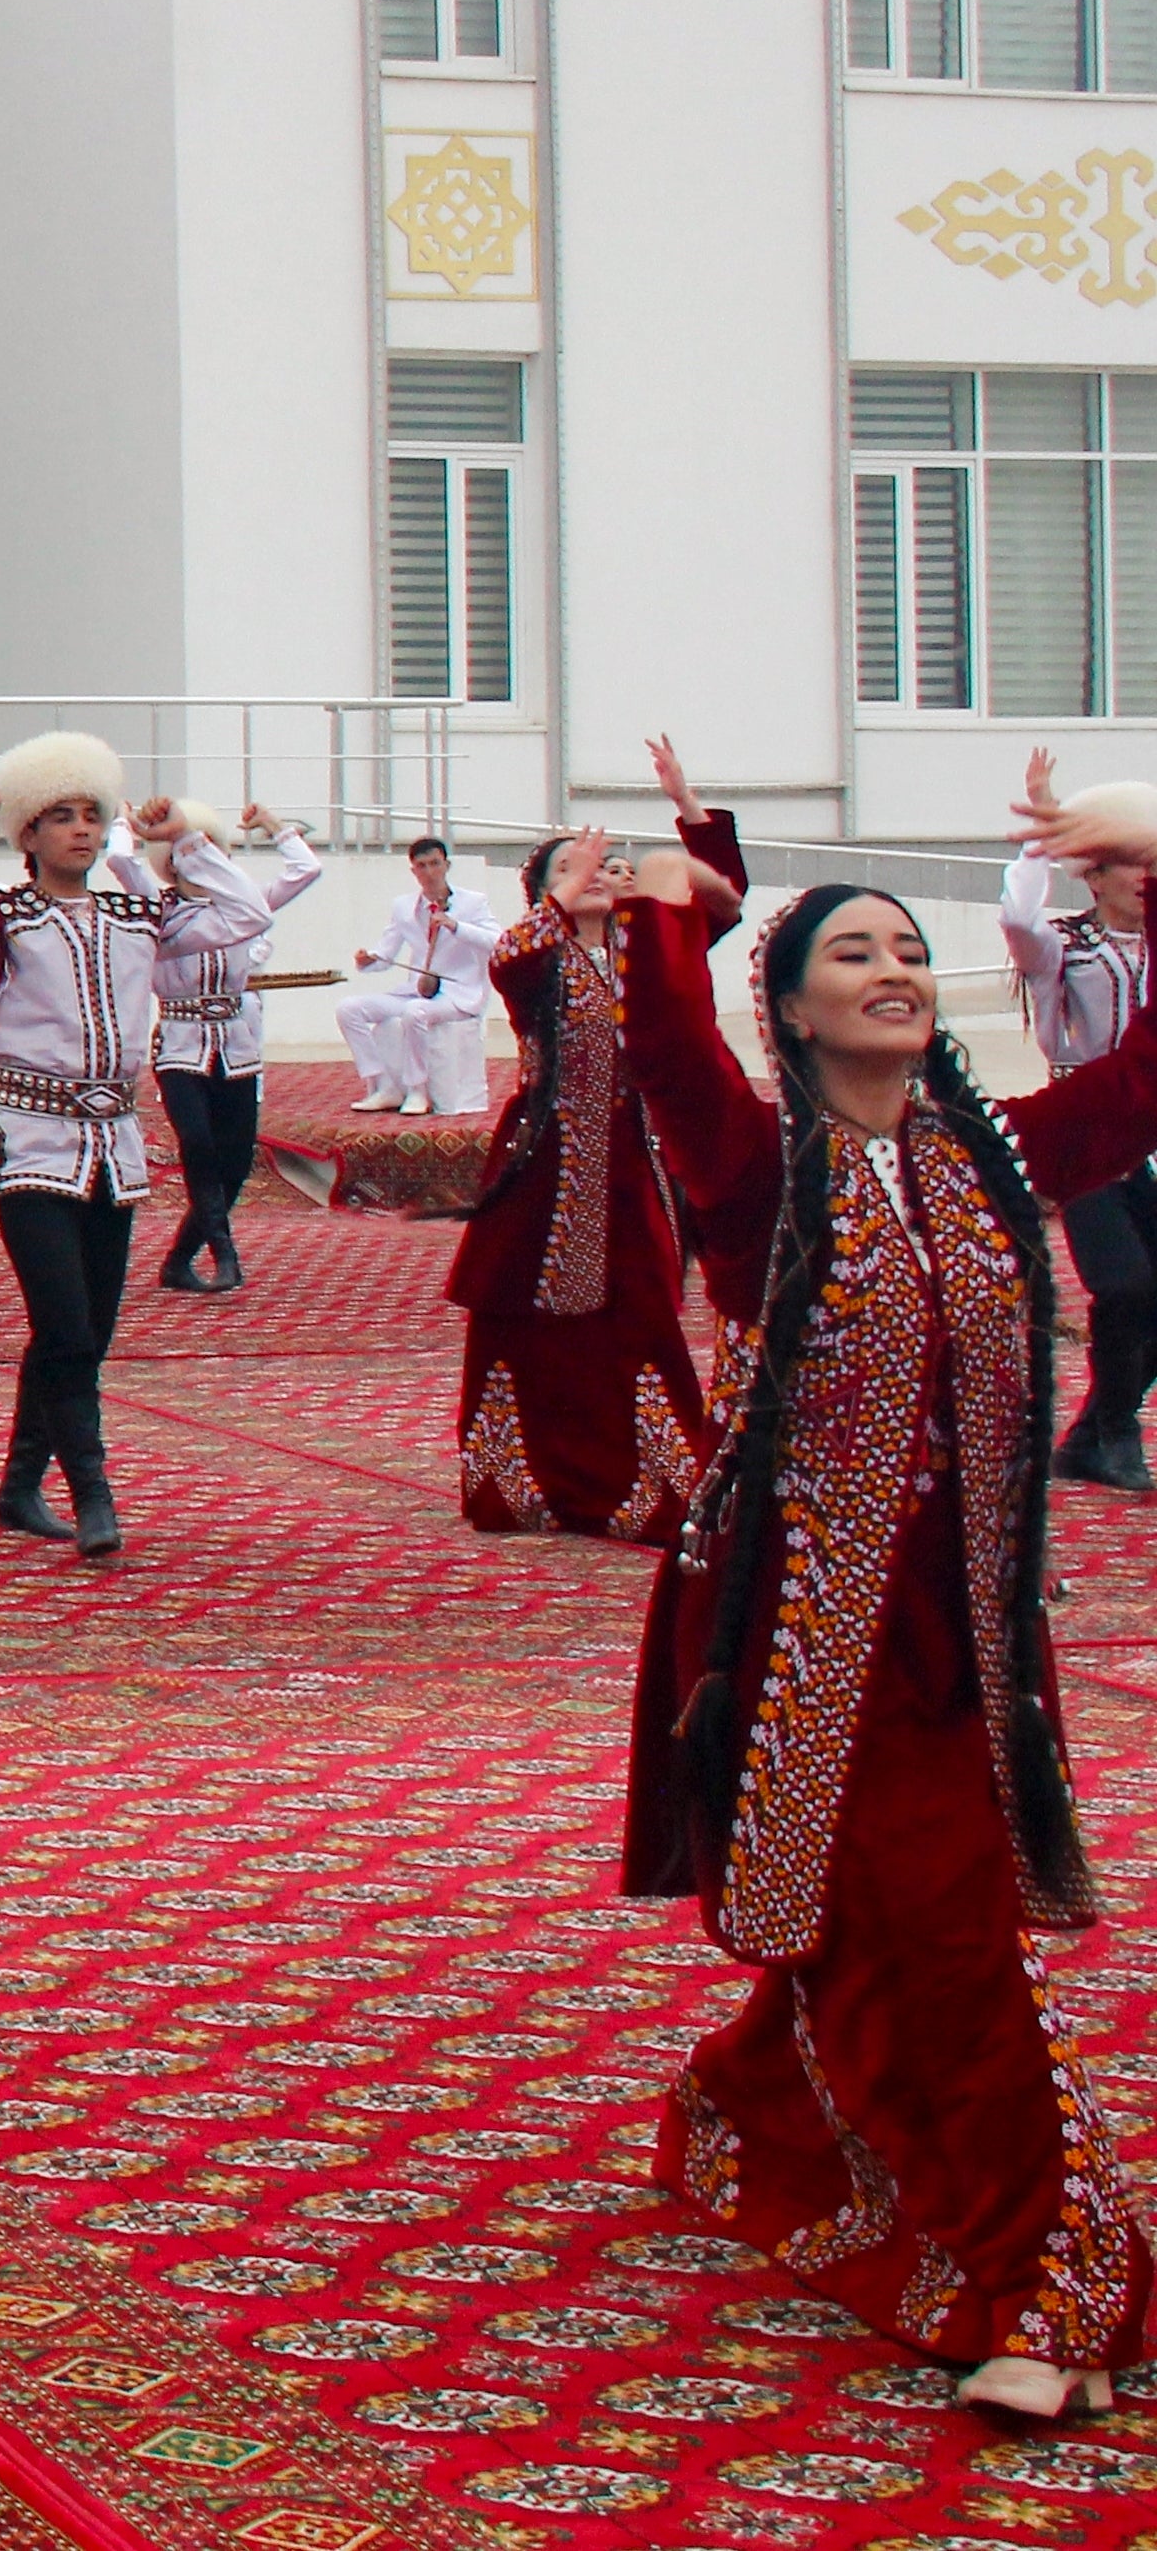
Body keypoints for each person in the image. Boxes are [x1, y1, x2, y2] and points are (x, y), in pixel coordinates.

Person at [613, 806, 1157, 2419]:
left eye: (911, 950)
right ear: (787, 1005)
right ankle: (1041, 2283)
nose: (896, 971)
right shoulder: (754, 1166)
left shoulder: (989, 1158)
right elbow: (665, 1053)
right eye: (854, 951)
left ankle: (744, 2105)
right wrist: (664, 900)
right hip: (791, 1647)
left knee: (910, 1930)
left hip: (969, 1648)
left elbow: (1139, 1085)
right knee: (938, 1943)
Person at [0, 732, 271, 1561]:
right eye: (60, 817)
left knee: (83, 1335)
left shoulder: (137, 913)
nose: (81, 829)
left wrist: (179, 837)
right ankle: (92, 1491)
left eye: (92, 816)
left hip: (115, 1147)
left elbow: (246, 915)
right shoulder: (3, 915)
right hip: (34, 1145)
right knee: (66, 1327)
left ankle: (17, 1483)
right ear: (28, 837)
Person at [450, 742, 751, 1539]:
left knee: (643, 1312)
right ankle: (525, 1487)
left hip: (638, 1169)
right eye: (578, 872)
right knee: (526, 1323)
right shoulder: (539, 960)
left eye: (615, 867)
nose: (605, 875)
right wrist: (567, 892)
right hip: (544, 1170)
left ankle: (651, 1484)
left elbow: (720, 906)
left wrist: (691, 810)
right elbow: (508, 959)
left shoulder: (646, 956)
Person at [1004, 754, 1157, 1493]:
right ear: (1092, 877)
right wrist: (1041, 835)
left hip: (1149, 1132)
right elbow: (1016, 921)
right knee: (1125, 1286)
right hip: (1090, 1127)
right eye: (1120, 864)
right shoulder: (1068, 944)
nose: (1137, 877)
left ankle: (1097, 1429)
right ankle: (1117, 1431)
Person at [144, 797, 322, 1294]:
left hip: (237, 1044)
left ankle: (181, 1259)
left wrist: (273, 824)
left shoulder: (244, 908)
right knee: (197, 1144)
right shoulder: (158, 912)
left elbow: (307, 869)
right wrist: (124, 823)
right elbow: (123, 867)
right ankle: (226, 1255)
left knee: (237, 1160)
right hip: (181, 1043)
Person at [341, 837, 500, 1119]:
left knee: (415, 1013)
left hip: (458, 993)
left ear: (446, 865)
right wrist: (369, 959)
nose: (429, 872)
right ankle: (384, 1084)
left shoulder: (473, 903)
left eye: (435, 864)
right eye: (421, 866)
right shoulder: (404, 907)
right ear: (413, 870)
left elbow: (497, 941)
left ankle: (418, 1089)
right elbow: (387, 952)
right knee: (349, 1009)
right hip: (418, 990)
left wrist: (456, 926)